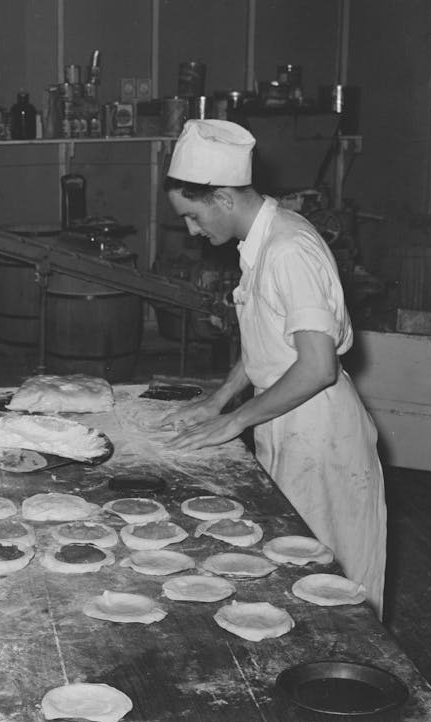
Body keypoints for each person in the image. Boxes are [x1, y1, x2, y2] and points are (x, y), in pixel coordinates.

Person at [159, 119, 387, 615]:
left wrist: (235, 420)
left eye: (193, 218)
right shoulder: (258, 246)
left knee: (334, 596)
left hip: (322, 438)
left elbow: (317, 367)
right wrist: (220, 398)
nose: (193, 232)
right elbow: (268, 340)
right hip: (285, 424)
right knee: (291, 581)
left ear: (222, 197)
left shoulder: (289, 250)